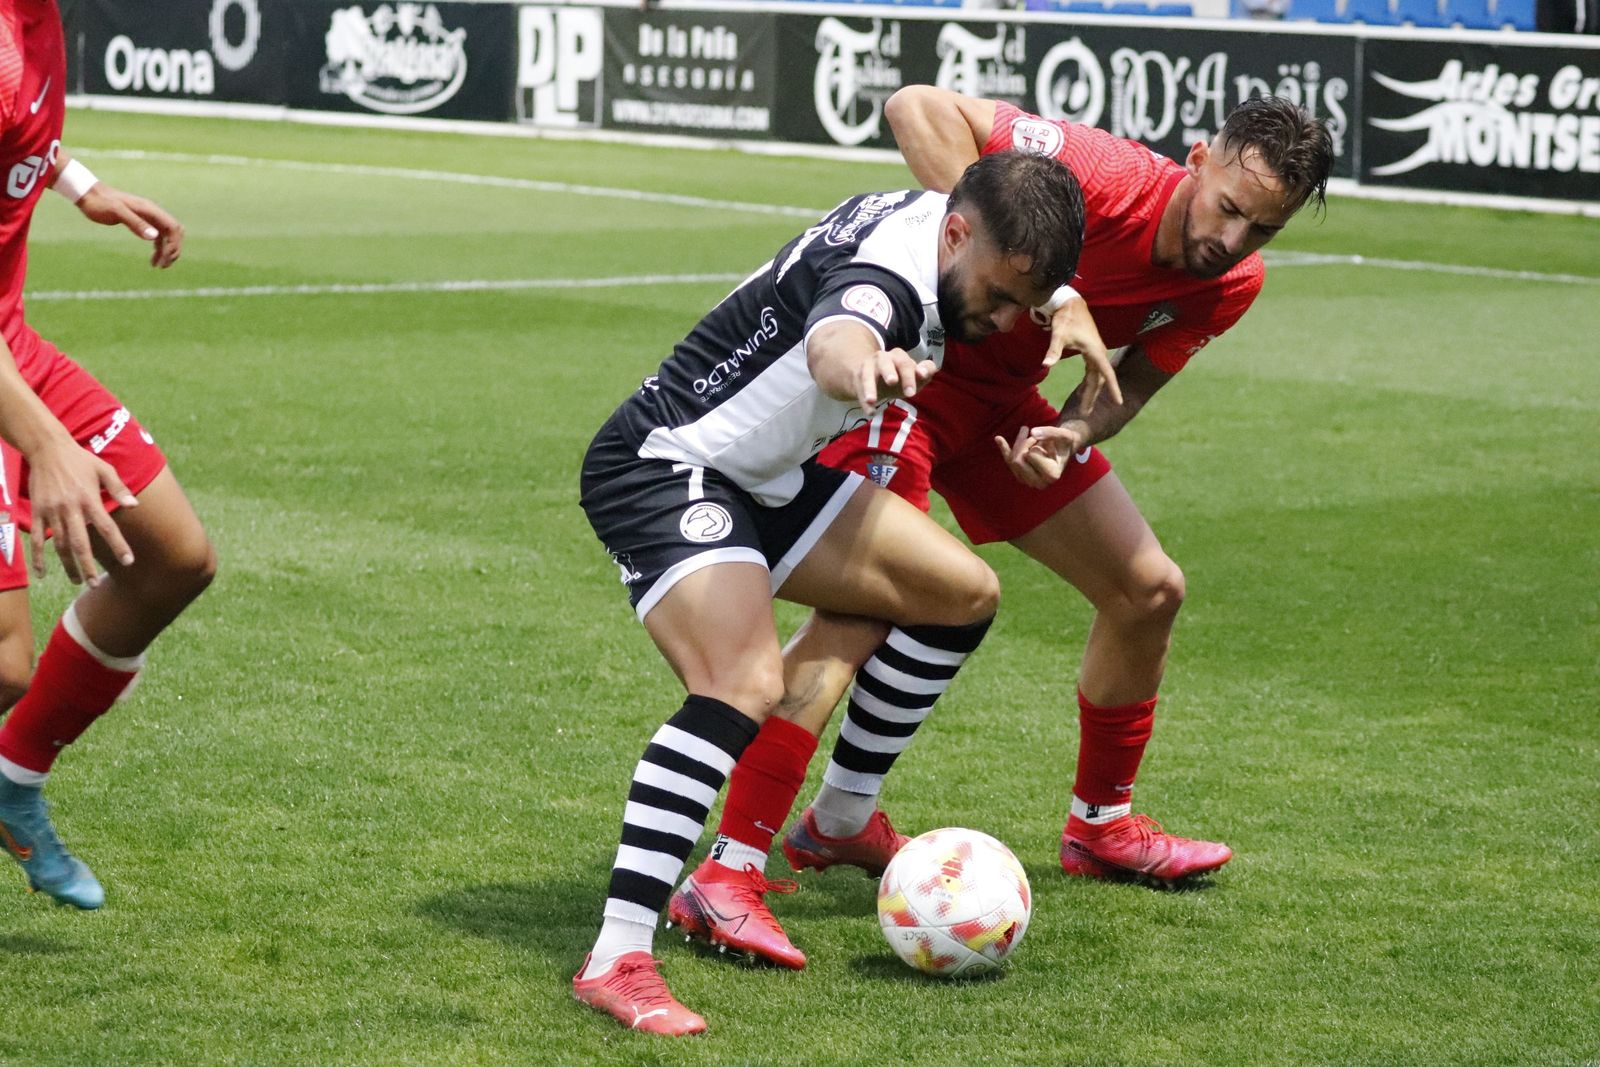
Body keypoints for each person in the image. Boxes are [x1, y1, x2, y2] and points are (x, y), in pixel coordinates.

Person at [666, 87, 1335, 967]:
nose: (1235, 241)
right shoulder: (1101, 175)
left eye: (1264, 229)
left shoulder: (1230, 281)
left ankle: (1093, 826)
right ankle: (729, 867)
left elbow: (1126, 388)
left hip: (1000, 415)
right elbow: (914, 109)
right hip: (905, 381)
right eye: (1230, 209)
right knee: (865, 610)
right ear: (1197, 158)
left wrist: (1074, 432)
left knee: (1149, 589)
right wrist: (1058, 290)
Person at [573, 151, 1098, 1035]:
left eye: (1024, 302)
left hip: (766, 478)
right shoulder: (889, 278)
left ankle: (841, 818)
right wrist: (864, 372)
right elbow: (839, 334)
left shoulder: (954, 222)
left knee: (959, 591)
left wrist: (1066, 302)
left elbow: (999, 254)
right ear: (959, 235)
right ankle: (617, 953)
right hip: (668, 467)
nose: (1008, 319)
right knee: (739, 683)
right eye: (1003, 298)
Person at [0, 0, 216, 910]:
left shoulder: (37, 19)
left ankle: (13, 783)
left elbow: (25, 132)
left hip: (13, 343)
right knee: (4, 663)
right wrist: (44, 443)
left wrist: (78, 180)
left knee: (172, 557)